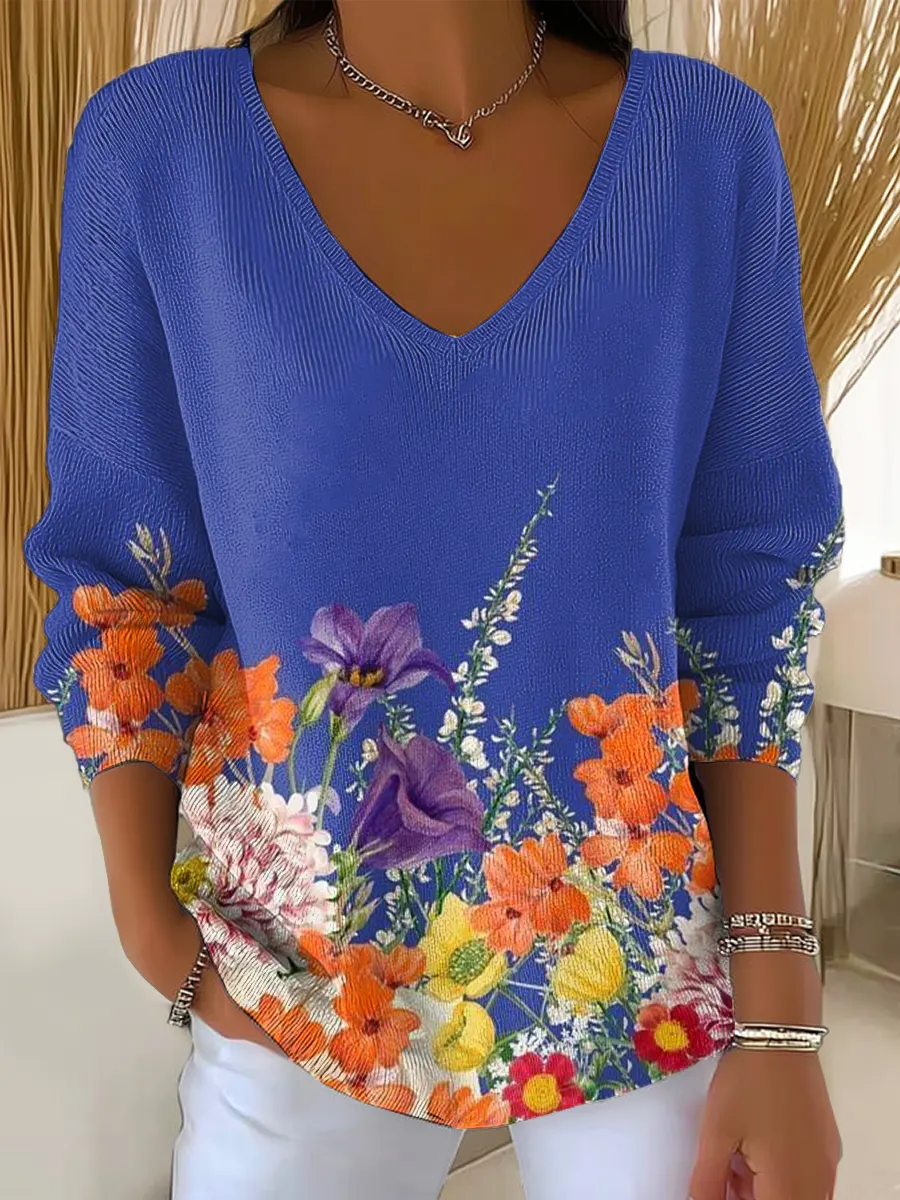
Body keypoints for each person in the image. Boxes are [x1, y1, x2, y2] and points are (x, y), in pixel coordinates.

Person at [22, 1, 845, 1197]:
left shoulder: (704, 148)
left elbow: (746, 590)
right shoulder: (161, 151)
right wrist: (153, 929)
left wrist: (780, 1020)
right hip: (291, 985)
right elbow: (127, 583)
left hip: (649, 976)